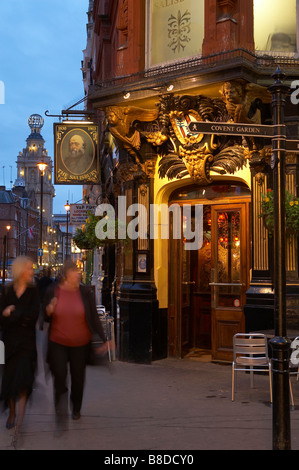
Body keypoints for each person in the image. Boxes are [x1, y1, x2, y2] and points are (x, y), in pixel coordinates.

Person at [43, 259, 110, 422]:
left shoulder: (85, 292)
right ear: (66, 275)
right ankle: (60, 409)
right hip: (58, 341)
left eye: (78, 272)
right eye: (74, 272)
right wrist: (49, 311)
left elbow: (93, 317)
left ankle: (76, 408)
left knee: (78, 377)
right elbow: (44, 317)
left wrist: (104, 339)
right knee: (59, 376)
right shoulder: (53, 290)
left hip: (80, 342)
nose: (78, 275)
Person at [0, 256, 40, 444]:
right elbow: (1, 317)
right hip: (8, 343)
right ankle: (12, 413)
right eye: (29, 268)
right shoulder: (7, 291)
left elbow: (32, 316)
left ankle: (19, 425)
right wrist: (12, 315)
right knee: (8, 381)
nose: (32, 271)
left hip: (26, 343)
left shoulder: (33, 292)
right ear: (20, 271)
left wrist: (12, 312)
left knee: (23, 381)